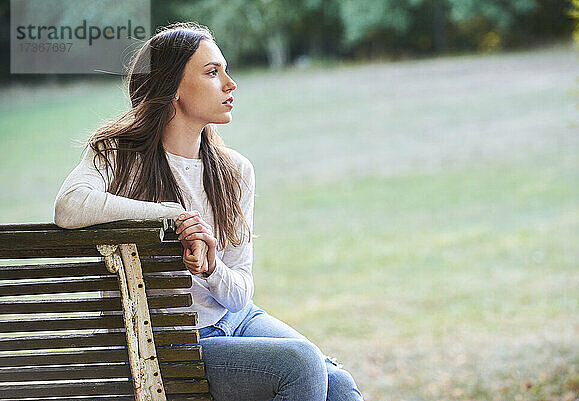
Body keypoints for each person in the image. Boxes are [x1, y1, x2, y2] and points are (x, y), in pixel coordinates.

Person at [53, 22, 363, 401]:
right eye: (213, 72)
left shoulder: (235, 171)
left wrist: (211, 269)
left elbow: (240, 294)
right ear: (173, 89)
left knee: (341, 385)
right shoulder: (117, 154)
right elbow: (68, 206)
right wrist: (169, 216)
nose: (231, 84)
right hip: (174, 340)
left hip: (236, 319)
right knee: (299, 364)